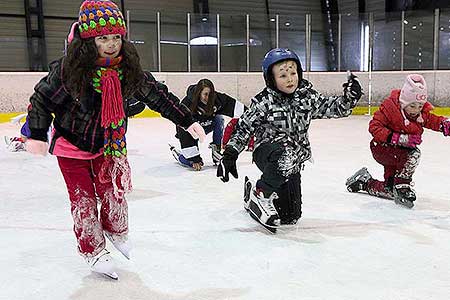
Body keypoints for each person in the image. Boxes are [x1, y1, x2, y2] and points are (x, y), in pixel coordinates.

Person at [24, 0, 205, 279]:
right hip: (71, 146)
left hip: (109, 145)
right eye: (103, 38)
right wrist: (36, 133)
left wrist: (186, 119)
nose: (111, 44)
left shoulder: (127, 71)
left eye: (116, 37)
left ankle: (116, 230)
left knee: (114, 191)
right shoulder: (69, 71)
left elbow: (157, 95)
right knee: (83, 201)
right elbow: (41, 99)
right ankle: (93, 250)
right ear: (88, 40)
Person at [216, 48, 363, 232]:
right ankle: (261, 192)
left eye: (293, 73)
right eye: (283, 75)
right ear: (271, 78)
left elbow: (331, 107)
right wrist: (230, 153)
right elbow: (244, 128)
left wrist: (349, 98)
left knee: (290, 216)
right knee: (285, 155)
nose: (290, 79)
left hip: (293, 160)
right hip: (267, 153)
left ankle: (252, 199)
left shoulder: (306, 97)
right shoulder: (264, 101)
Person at [346, 74, 450, 209]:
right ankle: (402, 185)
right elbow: (374, 127)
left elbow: (431, 120)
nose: (416, 110)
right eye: (413, 106)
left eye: (420, 106)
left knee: (390, 190)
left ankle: (364, 182)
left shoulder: (419, 114)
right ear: (404, 101)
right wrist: (397, 138)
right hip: (382, 148)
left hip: (399, 152)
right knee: (413, 154)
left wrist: (443, 124)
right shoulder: (390, 109)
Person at [173, 79, 238, 171]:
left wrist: (248, 113)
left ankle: (216, 150)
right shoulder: (187, 103)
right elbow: (182, 126)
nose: (208, 97)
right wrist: (194, 158)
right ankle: (181, 157)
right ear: (199, 93)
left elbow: (230, 104)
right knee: (193, 163)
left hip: (205, 125)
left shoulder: (216, 99)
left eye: (210, 94)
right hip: (190, 131)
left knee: (219, 118)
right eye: (205, 94)